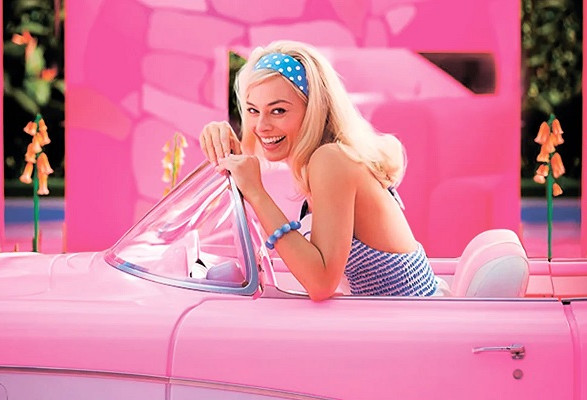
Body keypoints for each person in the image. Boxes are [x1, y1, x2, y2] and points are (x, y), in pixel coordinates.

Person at [199, 40, 438, 300]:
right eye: (253, 110)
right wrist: (221, 137)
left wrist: (256, 192)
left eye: (278, 110)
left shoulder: (331, 159)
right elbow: (250, 155)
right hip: (394, 316)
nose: (261, 125)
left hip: (414, 319)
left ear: (313, 109)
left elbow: (321, 283)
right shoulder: (324, 159)